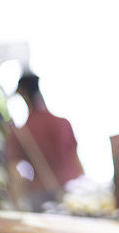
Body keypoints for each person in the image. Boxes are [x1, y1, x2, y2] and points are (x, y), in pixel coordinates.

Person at [5, 72, 83, 210]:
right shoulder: (63, 123)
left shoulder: (21, 133)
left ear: (23, 94)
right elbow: (76, 159)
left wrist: (16, 205)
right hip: (74, 190)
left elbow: (15, 173)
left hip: (44, 197)